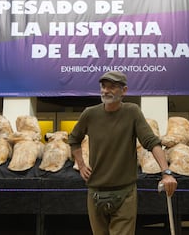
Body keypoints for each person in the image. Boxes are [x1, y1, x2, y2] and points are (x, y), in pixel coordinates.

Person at [68, 71, 178, 235]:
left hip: (124, 193)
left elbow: (151, 142)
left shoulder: (132, 112)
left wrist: (166, 173)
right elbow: (74, 139)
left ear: (124, 91)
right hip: (95, 191)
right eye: (103, 86)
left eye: (112, 87)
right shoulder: (90, 114)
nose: (105, 91)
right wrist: (82, 164)